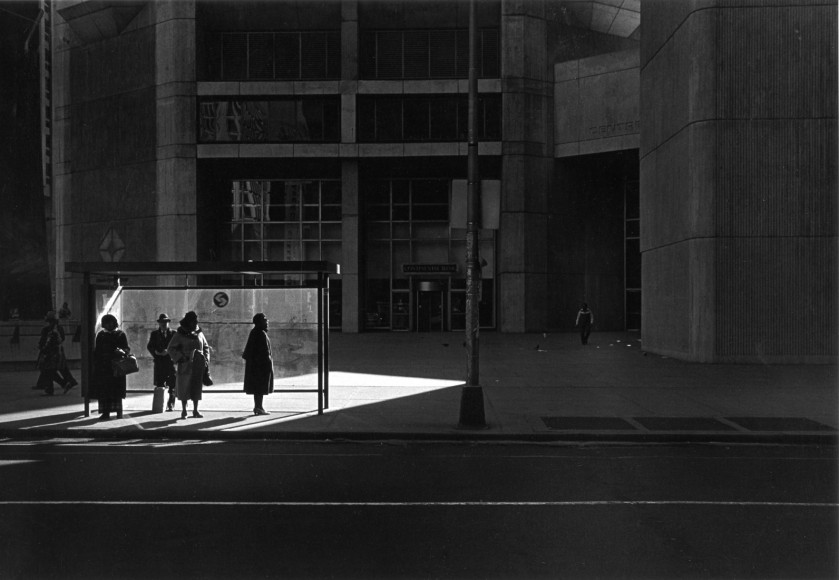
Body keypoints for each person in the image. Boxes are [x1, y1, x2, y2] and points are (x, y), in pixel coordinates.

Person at [167, 311, 210, 419]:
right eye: (193, 321)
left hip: (197, 365)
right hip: (185, 364)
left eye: (196, 320)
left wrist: (205, 359)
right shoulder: (180, 333)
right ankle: (184, 410)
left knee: (196, 387)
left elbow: (205, 347)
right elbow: (171, 348)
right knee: (184, 388)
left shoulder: (199, 332)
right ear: (188, 321)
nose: (196, 322)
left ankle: (195, 410)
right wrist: (181, 357)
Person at [91, 314, 130, 419]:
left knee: (113, 391)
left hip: (114, 367)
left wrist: (121, 352)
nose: (109, 325)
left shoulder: (117, 335)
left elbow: (126, 349)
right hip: (107, 367)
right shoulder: (104, 335)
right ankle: (107, 412)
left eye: (111, 323)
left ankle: (116, 412)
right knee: (107, 391)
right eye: (107, 323)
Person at [35, 311, 77, 395]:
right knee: (52, 370)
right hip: (58, 352)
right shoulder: (58, 328)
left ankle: (57, 386)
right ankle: (63, 384)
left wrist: (43, 348)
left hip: (49, 353)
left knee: (48, 371)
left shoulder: (48, 329)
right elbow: (62, 339)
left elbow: (45, 341)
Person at [242, 313, 274, 416]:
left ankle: (258, 406)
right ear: (260, 322)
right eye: (265, 320)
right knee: (260, 387)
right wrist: (268, 364)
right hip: (260, 367)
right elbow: (264, 352)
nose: (267, 322)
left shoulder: (254, 332)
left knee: (257, 388)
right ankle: (259, 407)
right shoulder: (261, 334)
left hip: (255, 366)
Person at [147, 313, 177, 411]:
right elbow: (150, 346)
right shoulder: (154, 334)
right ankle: (160, 404)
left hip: (170, 362)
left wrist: (168, 352)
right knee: (160, 384)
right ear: (159, 323)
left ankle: (171, 403)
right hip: (159, 362)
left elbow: (178, 347)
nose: (164, 324)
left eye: (165, 322)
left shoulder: (174, 334)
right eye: (162, 322)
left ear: (168, 323)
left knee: (172, 384)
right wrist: (155, 352)